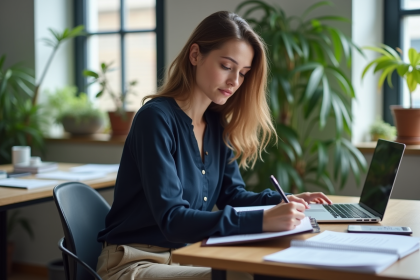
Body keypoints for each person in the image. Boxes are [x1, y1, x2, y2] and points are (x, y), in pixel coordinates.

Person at [96, 11, 332, 280]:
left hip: (187, 256)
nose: (235, 81)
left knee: (274, 270)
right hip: (133, 262)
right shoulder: (155, 119)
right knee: (244, 276)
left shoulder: (215, 124)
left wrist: (283, 200)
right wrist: (262, 220)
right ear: (195, 55)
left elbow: (233, 196)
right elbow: (172, 220)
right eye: (226, 66)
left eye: (243, 73)